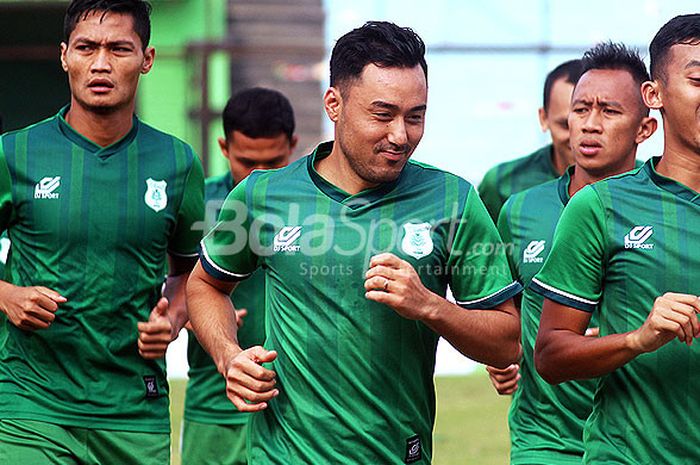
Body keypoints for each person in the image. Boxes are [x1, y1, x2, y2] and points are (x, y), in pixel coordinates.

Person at [186, 21, 521, 464]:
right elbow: (205, 285)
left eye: (415, 116)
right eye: (382, 115)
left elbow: (506, 342)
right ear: (334, 104)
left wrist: (429, 305)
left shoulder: (453, 199)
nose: (401, 135)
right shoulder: (261, 195)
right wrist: (228, 356)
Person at [0, 1, 204, 464]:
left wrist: (171, 319)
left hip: (134, 409)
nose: (101, 64)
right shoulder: (14, 154)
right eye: (87, 47)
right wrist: (6, 294)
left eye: (119, 48)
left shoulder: (177, 163)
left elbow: (194, 274)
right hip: (31, 406)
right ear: (64, 55)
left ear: (146, 59)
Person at [532, 14, 700, 464]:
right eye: (699, 79)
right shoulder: (600, 207)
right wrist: (637, 339)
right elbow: (550, 354)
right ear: (655, 95)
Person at [486, 42, 657, 464]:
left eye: (609, 112)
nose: (589, 125)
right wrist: (504, 356)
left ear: (645, 129)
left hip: (632, 439)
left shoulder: (666, 211)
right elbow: (507, 314)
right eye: (581, 110)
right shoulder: (521, 209)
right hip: (544, 442)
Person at [182, 87, 297, 465]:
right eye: (247, 162)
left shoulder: (315, 207)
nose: (259, 176)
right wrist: (191, 317)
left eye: (273, 161)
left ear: (293, 145)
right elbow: (168, 289)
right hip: (213, 406)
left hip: (297, 409)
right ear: (224, 147)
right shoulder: (197, 204)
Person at [479, 60, 583, 222]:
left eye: (586, 124)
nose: (578, 137)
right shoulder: (501, 184)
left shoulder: (636, 182)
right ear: (543, 118)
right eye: (565, 125)